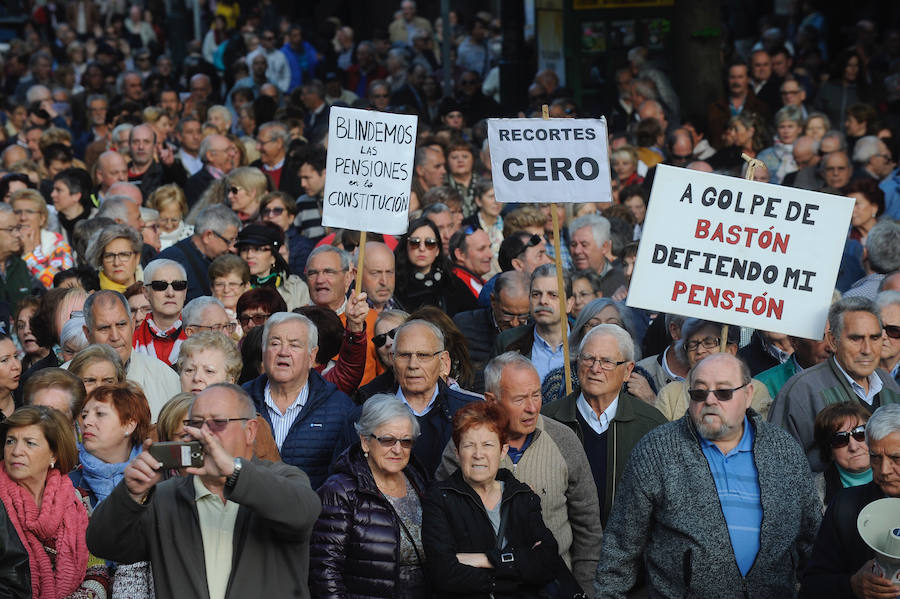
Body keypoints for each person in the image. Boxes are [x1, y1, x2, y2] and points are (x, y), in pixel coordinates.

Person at [86, 383, 322, 598]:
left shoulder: (283, 478)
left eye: (218, 423)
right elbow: (102, 544)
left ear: (250, 431)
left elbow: (304, 511)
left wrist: (233, 471)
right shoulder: (166, 496)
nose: (205, 434)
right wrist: (130, 494)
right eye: (196, 424)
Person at [436, 353, 602, 593]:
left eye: (536, 395)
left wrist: (582, 589)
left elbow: (588, 528)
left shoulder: (564, 439)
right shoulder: (464, 449)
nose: (532, 408)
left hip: (553, 588)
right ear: (491, 401)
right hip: (484, 589)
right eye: (520, 399)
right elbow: (442, 522)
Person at [422, 401, 565, 599]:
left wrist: (486, 559)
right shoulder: (440, 498)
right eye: (469, 445)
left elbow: (547, 562)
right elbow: (443, 574)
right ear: (457, 452)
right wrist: (516, 574)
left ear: (503, 450)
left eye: (488, 445)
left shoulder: (522, 496)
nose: (478, 455)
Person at [540, 324, 665, 526]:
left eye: (606, 362)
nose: (595, 369)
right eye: (588, 359)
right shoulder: (548, 420)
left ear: (627, 371)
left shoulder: (651, 425)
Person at [310, 394, 430, 598]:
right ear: (365, 442)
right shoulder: (341, 491)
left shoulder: (420, 482)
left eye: (406, 441)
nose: (397, 449)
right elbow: (325, 573)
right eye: (387, 440)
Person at [768, 297, 900, 471]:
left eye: (874, 338)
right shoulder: (801, 391)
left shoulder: (888, 384)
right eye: (856, 339)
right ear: (832, 341)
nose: (867, 349)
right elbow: (777, 468)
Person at [243, 312, 355, 489]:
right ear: (263, 351)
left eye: (294, 345)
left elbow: (346, 478)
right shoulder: (240, 400)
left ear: (312, 356)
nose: (283, 352)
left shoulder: (339, 408)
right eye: (275, 343)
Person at [799, 404, 900, 598]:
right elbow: (812, 586)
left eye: (896, 458)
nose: (885, 469)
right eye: (876, 457)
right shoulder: (846, 506)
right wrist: (851, 584)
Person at [0, 405, 88, 598]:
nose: (16, 451)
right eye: (10, 441)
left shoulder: (77, 499)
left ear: (53, 454)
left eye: (29, 443)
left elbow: (96, 565)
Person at [176, 331, 280, 462]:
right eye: (189, 370)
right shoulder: (160, 427)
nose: (197, 378)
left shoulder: (253, 426)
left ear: (229, 381)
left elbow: (270, 478)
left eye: (209, 371)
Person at [81, 290, 180, 420]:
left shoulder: (166, 378)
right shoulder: (67, 379)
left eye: (121, 325)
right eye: (104, 328)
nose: (115, 337)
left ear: (133, 325)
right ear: (87, 333)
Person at [656, 319, 773, 421]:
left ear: (731, 350)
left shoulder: (754, 391)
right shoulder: (670, 394)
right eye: (693, 344)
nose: (699, 350)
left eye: (709, 342)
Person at [70, 383, 150, 508]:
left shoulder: (155, 480)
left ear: (129, 425)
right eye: (84, 415)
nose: (86, 422)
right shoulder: (68, 485)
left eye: (100, 414)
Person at [493, 264, 573, 383]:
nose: (543, 301)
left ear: (569, 304)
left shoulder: (586, 342)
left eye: (553, 295)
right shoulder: (507, 342)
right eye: (536, 294)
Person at [453, 271, 530, 394]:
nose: (514, 323)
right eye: (508, 314)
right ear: (493, 301)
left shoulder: (536, 328)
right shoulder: (465, 326)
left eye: (522, 316)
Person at [394, 217, 477, 316]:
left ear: (437, 250)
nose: (422, 248)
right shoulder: (394, 283)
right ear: (405, 246)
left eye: (430, 243)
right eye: (414, 242)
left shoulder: (452, 283)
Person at [157, 204, 240, 302]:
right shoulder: (171, 262)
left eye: (235, 240)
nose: (233, 248)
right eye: (229, 241)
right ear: (208, 236)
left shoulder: (217, 259)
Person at [811, 402, 872, 509]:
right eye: (839, 439)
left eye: (860, 433)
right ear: (828, 449)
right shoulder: (814, 493)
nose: (853, 447)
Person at [236, 223, 309, 311]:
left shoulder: (296, 287)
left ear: (273, 257)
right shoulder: (230, 287)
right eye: (244, 249)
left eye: (258, 249)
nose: (249, 255)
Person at [11, 189, 74, 288]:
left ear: (42, 218)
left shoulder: (57, 244)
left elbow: (60, 286)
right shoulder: (4, 245)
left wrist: (29, 255)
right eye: (17, 212)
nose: (23, 218)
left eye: (30, 212)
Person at [132, 259, 188, 366]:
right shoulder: (129, 341)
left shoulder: (201, 335)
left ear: (185, 291)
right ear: (146, 292)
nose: (170, 293)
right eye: (160, 286)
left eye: (178, 285)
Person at [260, 191, 313, 276]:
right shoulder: (255, 241)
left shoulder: (303, 245)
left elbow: (302, 280)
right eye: (266, 211)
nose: (270, 215)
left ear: (291, 217)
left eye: (277, 211)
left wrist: (284, 265)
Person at [88, 223, 143, 293]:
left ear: (137, 258)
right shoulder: (91, 293)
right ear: (101, 260)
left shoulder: (151, 286)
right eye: (109, 256)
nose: (117, 263)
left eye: (124, 255)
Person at [449, 226, 492, 298]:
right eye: (481, 249)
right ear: (460, 254)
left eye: (489, 247)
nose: (490, 254)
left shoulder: (476, 281)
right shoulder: (459, 286)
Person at [148, 184, 193, 251]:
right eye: (163, 219)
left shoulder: (192, 235)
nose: (169, 225)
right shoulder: (147, 235)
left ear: (182, 213)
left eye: (174, 220)